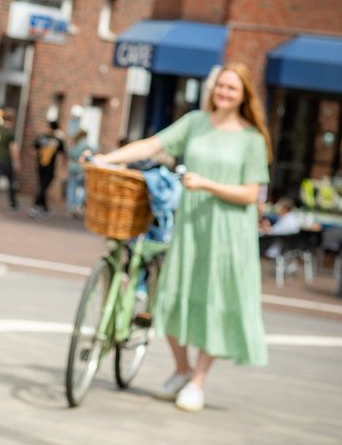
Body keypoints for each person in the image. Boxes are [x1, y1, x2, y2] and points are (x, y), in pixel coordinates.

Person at [93, 62, 270, 412]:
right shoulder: (195, 124)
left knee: (216, 302)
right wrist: (107, 159)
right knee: (170, 296)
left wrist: (206, 184)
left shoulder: (252, 140)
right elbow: (151, 145)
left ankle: (198, 381)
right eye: (221, 86)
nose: (224, 93)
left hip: (229, 233)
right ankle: (181, 368)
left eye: (232, 89)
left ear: (243, 96)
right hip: (190, 227)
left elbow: (251, 194)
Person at [29, 119, 65, 219]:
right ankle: (38, 207)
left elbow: (33, 149)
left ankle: (41, 208)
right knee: (43, 188)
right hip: (50, 168)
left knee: (42, 187)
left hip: (41, 166)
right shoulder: (58, 141)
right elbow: (63, 155)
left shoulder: (41, 138)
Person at [0, 107, 20, 210]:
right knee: (11, 182)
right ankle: (13, 203)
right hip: (7, 160)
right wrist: (17, 161)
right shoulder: (10, 132)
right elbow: (13, 148)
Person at [66, 128, 96, 218]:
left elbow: (70, 154)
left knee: (72, 187)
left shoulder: (75, 143)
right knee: (82, 188)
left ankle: (70, 207)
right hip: (82, 169)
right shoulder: (86, 145)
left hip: (72, 167)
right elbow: (92, 154)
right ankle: (78, 206)